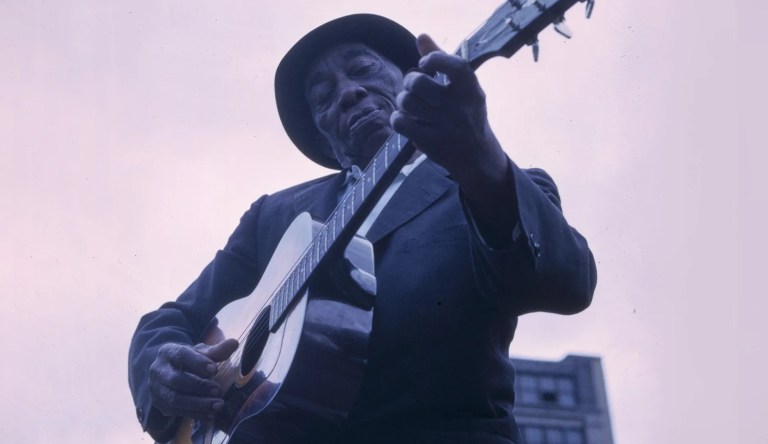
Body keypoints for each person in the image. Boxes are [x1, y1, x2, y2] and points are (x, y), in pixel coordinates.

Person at [128, 14, 597, 444]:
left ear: (411, 80)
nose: (348, 92)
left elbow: (567, 282)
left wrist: (480, 156)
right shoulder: (273, 217)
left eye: (363, 69)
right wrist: (162, 367)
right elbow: (168, 322)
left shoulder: (488, 179)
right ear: (323, 135)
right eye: (323, 96)